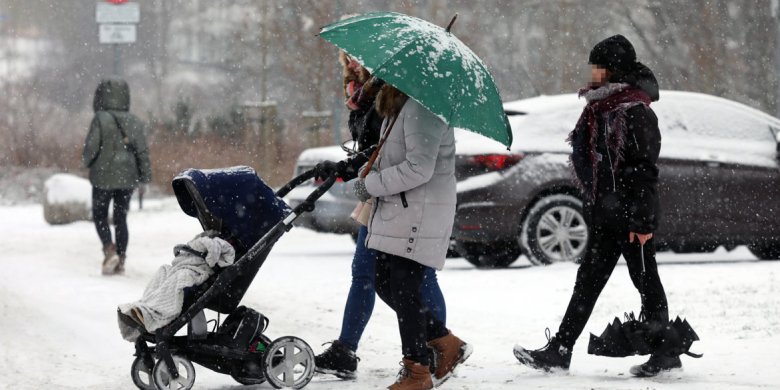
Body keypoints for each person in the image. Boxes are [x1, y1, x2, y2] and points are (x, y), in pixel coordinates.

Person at [512, 35, 680, 377]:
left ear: (614, 70)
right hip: (606, 214)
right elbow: (596, 165)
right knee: (587, 281)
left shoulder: (635, 111)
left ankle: (666, 355)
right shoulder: (598, 109)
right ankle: (560, 350)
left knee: (646, 282)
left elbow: (645, 171)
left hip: (633, 217)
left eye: (599, 67)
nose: (593, 74)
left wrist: (642, 222)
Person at [314, 52, 448, 381]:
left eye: (359, 58)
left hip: (396, 195)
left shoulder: (394, 98)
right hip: (379, 190)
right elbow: (371, 150)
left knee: (411, 278)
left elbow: (397, 154)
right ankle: (349, 349)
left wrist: (360, 176)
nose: (353, 64)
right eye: (347, 57)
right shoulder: (361, 95)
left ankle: (437, 347)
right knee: (371, 274)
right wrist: (345, 169)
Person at [351, 82, 471, 390]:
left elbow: (418, 169)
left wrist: (372, 185)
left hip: (420, 213)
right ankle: (445, 343)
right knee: (385, 281)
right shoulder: (400, 106)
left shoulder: (422, 108)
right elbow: (393, 158)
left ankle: (417, 370)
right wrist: (365, 170)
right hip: (402, 211)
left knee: (404, 288)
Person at [83, 78, 152, 275]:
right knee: (121, 217)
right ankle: (121, 258)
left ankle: (109, 249)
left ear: (102, 96)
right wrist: (145, 177)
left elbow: (91, 147)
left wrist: (87, 162)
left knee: (100, 215)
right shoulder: (135, 121)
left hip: (103, 177)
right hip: (127, 178)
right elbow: (142, 152)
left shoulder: (100, 118)